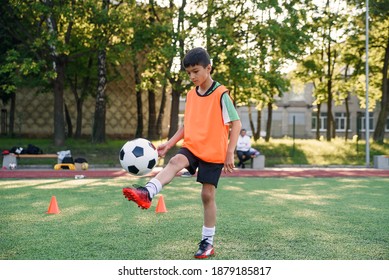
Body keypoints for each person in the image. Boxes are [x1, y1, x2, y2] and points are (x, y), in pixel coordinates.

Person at [122, 47, 242, 259]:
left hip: (214, 152)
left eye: (196, 71)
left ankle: (207, 242)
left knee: (207, 195)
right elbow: (187, 125)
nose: (192, 76)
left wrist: (230, 152)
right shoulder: (191, 94)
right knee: (176, 160)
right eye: (188, 73)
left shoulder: (221, 94)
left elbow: (236, 123)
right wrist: (169, 144)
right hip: (193, 146)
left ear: (208, 68)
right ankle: (147, 192)